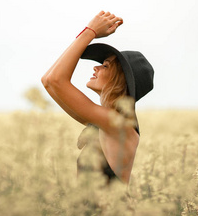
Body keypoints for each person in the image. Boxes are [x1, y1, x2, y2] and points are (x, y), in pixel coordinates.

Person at [41, 11, 154, 185]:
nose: (96, 68)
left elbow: (55, 80)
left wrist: (90, 31)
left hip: (112, 213)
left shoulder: (116, 123)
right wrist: (88, 32)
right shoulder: (106, 122)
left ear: (120, 80)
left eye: (105, 66)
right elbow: (48, 80)